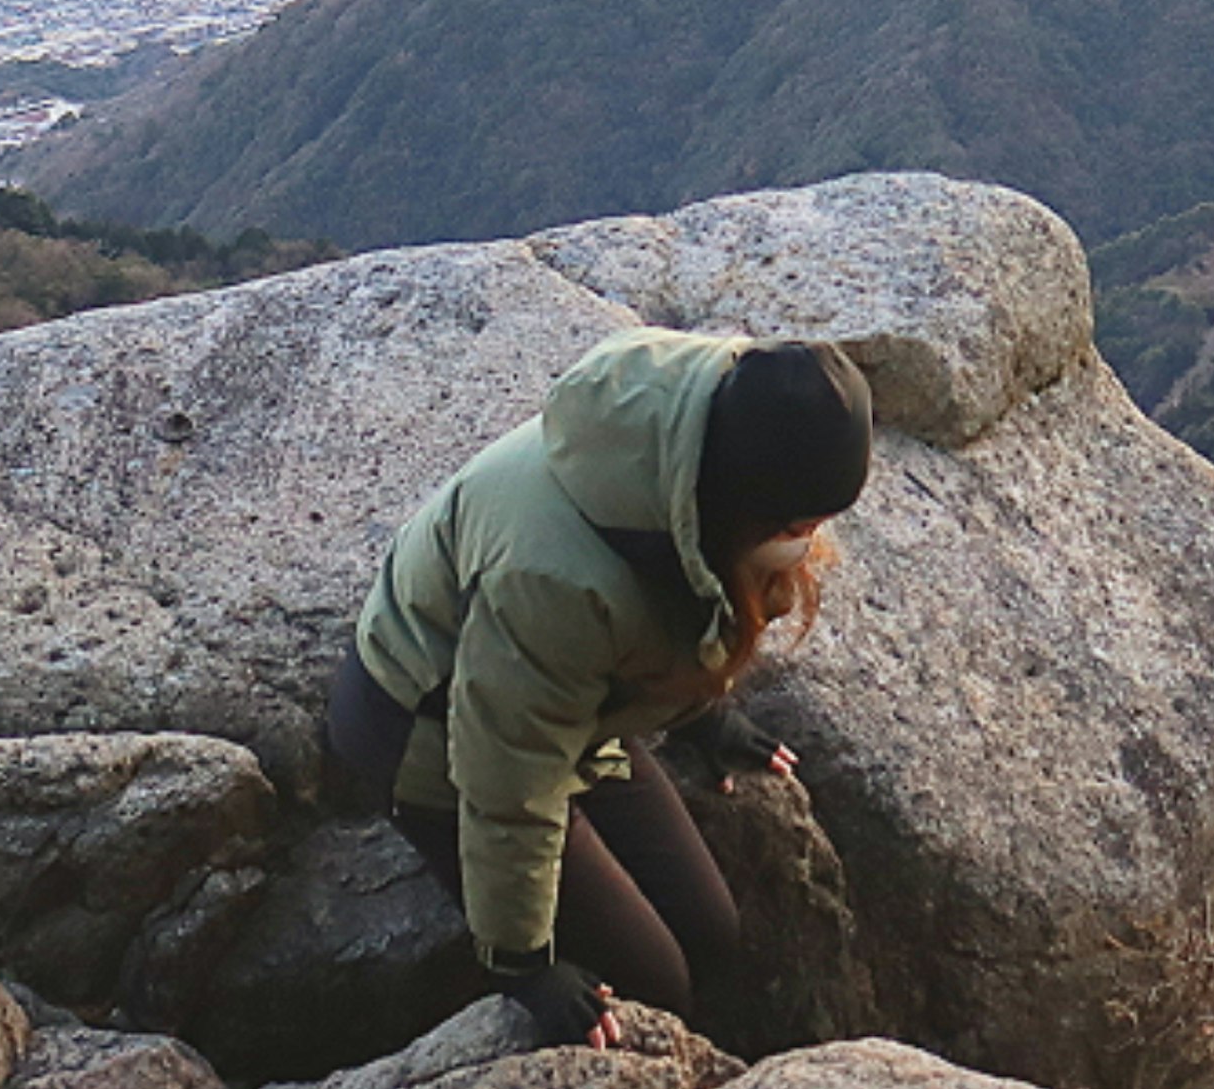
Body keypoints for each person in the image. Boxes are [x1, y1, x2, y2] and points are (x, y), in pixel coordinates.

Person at [327, 329, 872, 1049]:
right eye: (803, 523)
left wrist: (702, 715)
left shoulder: (714, 425)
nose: (813, 538)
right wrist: (523, 964)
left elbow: (685, 597)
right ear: (750, 505)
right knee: (656, 985)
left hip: (573, 712)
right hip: (428, 732)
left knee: (712, 930)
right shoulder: (556, 580)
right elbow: (506, 778)